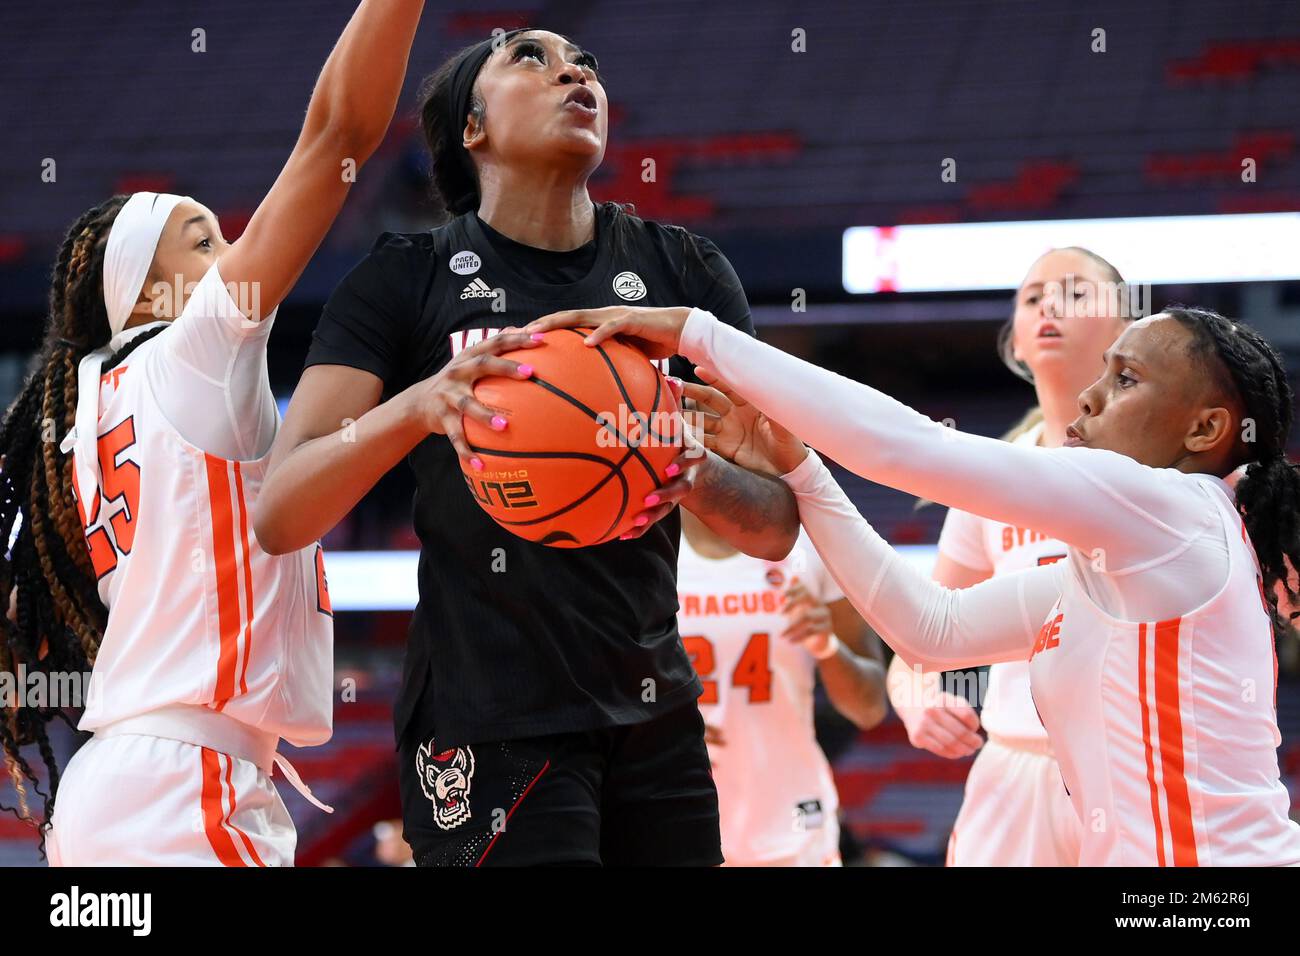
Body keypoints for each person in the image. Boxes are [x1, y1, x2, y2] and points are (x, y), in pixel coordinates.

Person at [255, 29, 799, 866]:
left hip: (655, 712)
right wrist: (417, 407)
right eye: (532, 60)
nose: (575, 72)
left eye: (585, 63)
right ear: (472, 128)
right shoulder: (404, 279)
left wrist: (695, 470)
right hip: (484, 720)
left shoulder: (683, 270)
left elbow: (773, 528)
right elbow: (282, 510)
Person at [525, 298, 1300, 866]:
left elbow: (911, 450)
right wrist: (800, 469)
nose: (1092, 396)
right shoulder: (1106, 567)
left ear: (1204, 431)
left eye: (1126, 379)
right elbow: (931, 629)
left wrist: (703, 335)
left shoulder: (1176, 507)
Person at [0, 0, 427, 865]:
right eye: (205, 241)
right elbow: (336, 133)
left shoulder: (85, 406)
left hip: (123, 787)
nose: (234, 249)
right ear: (152, 299)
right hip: (182, 785)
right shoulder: (187, 354)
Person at [889, 247, 1131, 866]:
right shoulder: (989, 480)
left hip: (1139, 765)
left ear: (1128, 331)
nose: (1050, 304)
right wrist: (918, 700)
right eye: (1032, 298)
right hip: (1013, 769)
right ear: (1017, 343)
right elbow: (918, 644)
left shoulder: (1171, 469)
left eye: (1076, 293)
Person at [678, 508, 887, 866]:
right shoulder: (642, 543)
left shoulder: (811, 542)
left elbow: (869, 708)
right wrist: (666, 724)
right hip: (677, 818)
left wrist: (828, 647)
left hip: (792, 820)